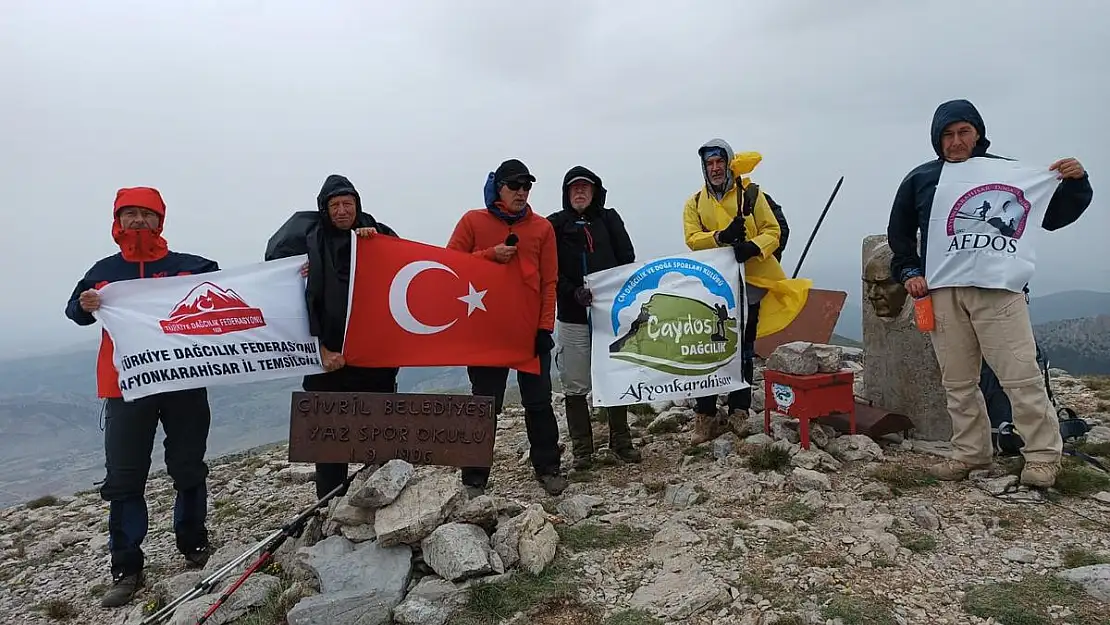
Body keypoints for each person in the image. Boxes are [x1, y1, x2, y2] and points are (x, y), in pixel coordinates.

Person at [886, 98, 1092, 487]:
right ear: (936, 139)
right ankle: (970, 453)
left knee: (1021, 377)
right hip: (944, 291)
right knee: (958, 381)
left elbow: (1052, 217)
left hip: (999, 291)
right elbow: (900, 235)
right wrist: (910, 270)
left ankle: (1044, 457)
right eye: (947, 134)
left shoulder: (1009, 174)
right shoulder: (922, 178)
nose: (956, 141)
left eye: (963, 132)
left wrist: (1077, 185)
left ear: (978, 133)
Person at [64, 187, 220, 608]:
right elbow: (74, 312)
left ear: (159, 221)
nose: (137, 221)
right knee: (125, 478)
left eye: (145, 214)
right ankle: (127, 567)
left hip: (184, 381)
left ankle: (194, 544)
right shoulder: (104, 270)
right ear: (117, 220)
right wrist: (86, 303)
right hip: (125, 386)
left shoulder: (187, 266)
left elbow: (231, 286)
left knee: (188, 466)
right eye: (129, 214)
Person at [265, 174, 401, 499]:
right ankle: (329, 505)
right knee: (329, 437)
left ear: (358, 205)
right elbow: (282, 290)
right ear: (324, 209)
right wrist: (319, 350)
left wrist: (377, 245)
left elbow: (403, 271)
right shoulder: (307, 242)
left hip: (373, 359)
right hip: (324, 357)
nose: (342, 211)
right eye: (335, 205)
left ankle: (383, 501)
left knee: (378, 429)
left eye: (348, 204)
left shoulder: (375, 233)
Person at [447, 159, 568, 496]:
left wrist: (545, 329)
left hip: (529, 332)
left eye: (527, 186)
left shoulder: (542, 228)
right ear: (498, 187)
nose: (522, 192)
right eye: (515, 185)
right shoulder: (472, 221)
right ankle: (474, 478)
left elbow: (549, 282)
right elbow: (448, 266)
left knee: (539, 402)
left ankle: (548, 468)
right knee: (484, 404)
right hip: (485, 332)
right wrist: (488, 255)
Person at [682, 140, 809, 445]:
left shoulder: (751, 195)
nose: (714, 168)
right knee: (708, 348)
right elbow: (691, 238)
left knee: (744, 346)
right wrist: (720, 237)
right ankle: (705, 416)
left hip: (749, 281)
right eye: (709, 163)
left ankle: (739, 410)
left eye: (719, 162)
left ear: (728, 163)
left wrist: (753, 246)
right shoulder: (695, 202)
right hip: (713, 286)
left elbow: (772, 230)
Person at [547, 166, 640, 470]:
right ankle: (583, 452)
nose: (580, 192)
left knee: (614, 375)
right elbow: (549, 270)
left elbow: (627, 259)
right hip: (572, 317)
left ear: (595, 190)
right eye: (574, 188)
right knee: (575, 383)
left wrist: (615, 292)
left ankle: (621, 442)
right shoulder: (555, 226)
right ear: (566, 193)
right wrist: (571, 291)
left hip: (609, 316)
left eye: (585, 187)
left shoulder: (609, 220)